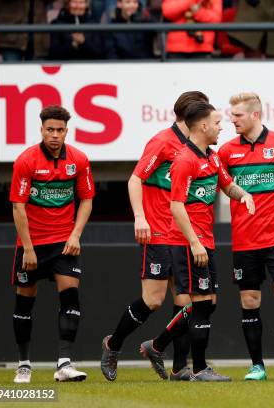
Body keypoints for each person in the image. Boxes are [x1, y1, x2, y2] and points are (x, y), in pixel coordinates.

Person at [139, 101, 255, 382]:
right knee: (201, 303)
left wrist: (243, 194)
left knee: (207, 304)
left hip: (206, 240)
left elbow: (227, 184)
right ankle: (199, 368)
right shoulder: (184, 160)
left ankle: (156, 345)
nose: (221, 127)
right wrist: (194, 242)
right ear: (203, 126)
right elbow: (176, 205)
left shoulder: (212, 157)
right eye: (217, 123)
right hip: (188, 242)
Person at [100, 91, 209, 382]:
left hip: (183, 234)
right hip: (160, 231)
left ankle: (177, 367)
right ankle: (114, 344)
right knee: (153, 300)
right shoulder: (163, 142)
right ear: (192, 117)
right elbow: (135, 178)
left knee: (187, 303)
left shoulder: (197, 147)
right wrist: (140, 217)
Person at [10, 105, 95, 383]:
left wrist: (75, 235)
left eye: (60, 130)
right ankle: (23, 364)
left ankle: (64, 364)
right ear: (41, 130)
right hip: (32, 244)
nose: (55, 135)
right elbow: (18, 207)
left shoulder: (79, 159)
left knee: (70, 299)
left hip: (64, 243)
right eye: (50, 130)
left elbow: (86, 199)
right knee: (24, 303)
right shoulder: (26, 160)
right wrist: (28, 247)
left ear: (66, 131)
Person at [217, 92, 274, 380]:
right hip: (244, 240)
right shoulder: (225, 151)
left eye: (237, 115)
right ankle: (257, 366)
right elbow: (222, 187)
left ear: (254, 115)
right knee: (250, 301)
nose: (232, 120)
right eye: (231, 115)